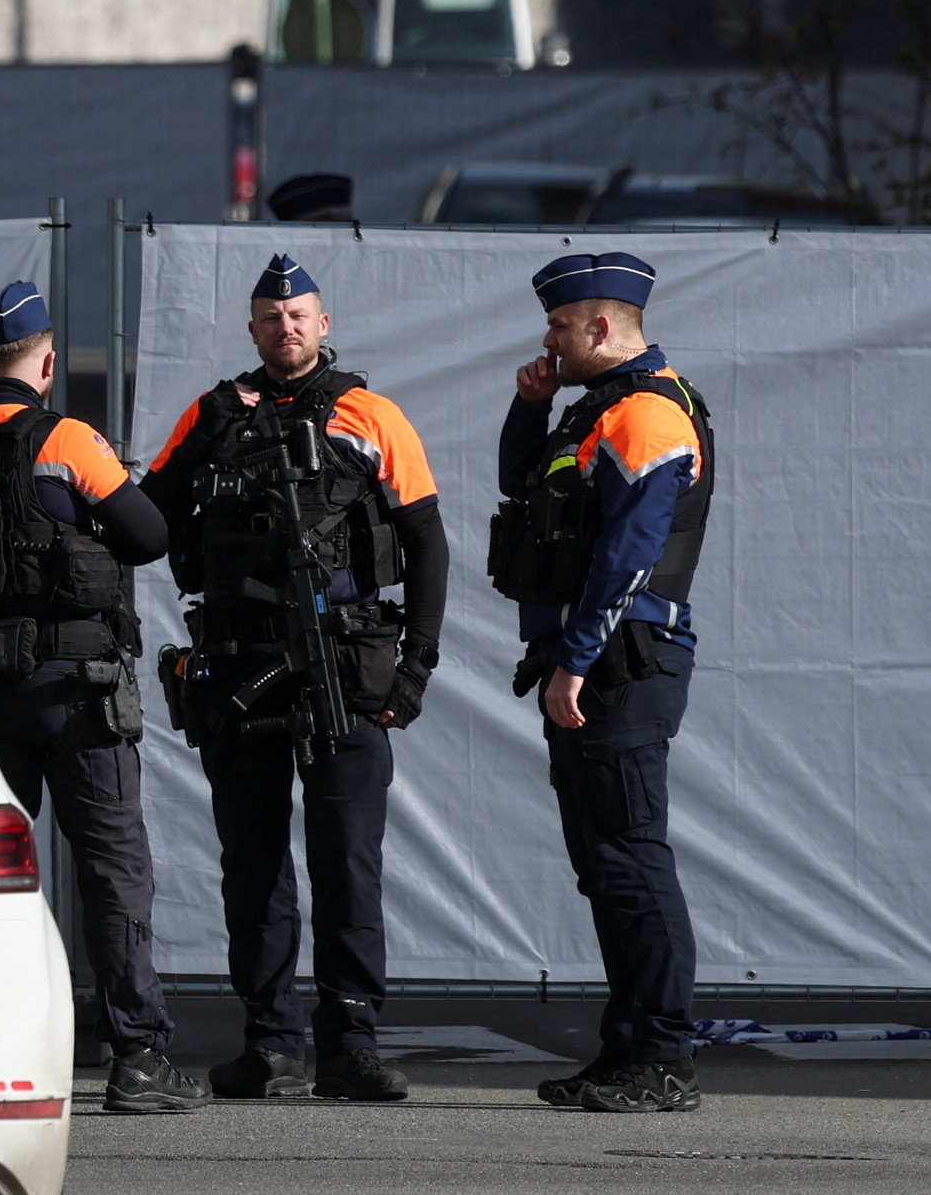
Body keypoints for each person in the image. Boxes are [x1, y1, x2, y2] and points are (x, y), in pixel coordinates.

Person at [0, 279, 206, 1118]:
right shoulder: (68, 440)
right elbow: (149, 535)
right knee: (113, 869)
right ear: (46, 365)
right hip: (75, 689)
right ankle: (138, 1057)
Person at [148, 253, 447, 1103]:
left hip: (341, 668)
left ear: (323, 325)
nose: (286, 327)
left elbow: (426, 543)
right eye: (271, 317)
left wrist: (417, 667)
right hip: (239, 662)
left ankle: (350, 1042)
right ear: (253, 329)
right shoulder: (212, 412)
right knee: (251, 864)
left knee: (346, 859)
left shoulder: (371, 414)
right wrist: (204, 434)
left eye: (299, 315)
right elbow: (149, 517)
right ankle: (271, 1041)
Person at [496, 250, 712, 1115]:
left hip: (622, 662)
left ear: (599, 326)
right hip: (596, 661)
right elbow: (521, 488)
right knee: (605, 863)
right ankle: (627, 1050)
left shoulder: (649, 413)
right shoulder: (597, 410)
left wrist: (576, 660)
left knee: (629, 858)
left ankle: (661, 1057)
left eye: (558, 326)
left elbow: (631, 555)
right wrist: (531, 405)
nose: (548, 338)